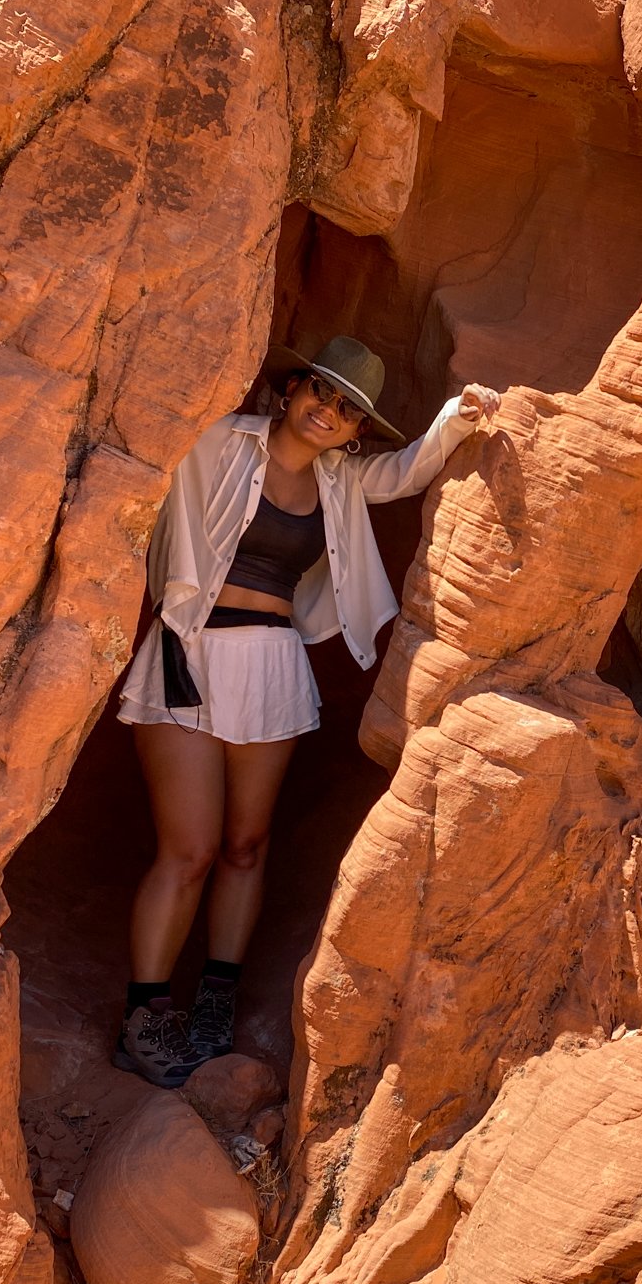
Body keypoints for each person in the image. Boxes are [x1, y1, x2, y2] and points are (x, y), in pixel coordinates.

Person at [113, 335, 500, 1086]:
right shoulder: (217, 441)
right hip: (187, 654)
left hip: (273, 662)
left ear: (355, 432)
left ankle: (214, 1003)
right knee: (187, 850)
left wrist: (456, 419)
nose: (330, 413)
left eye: (349, 411)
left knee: (246, 847)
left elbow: (404, 471)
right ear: (290, 392)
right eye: (322, 393)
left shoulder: (341, 482)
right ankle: (143, 1017)